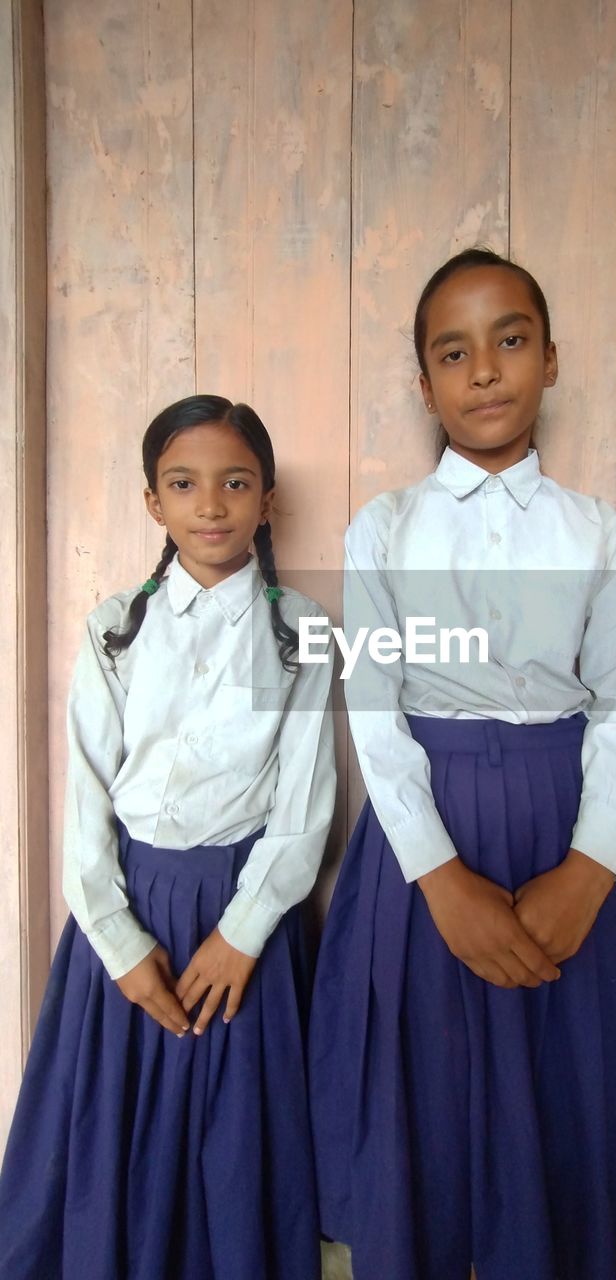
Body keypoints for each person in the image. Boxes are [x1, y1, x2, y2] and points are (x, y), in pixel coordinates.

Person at [309, 249, 616, 1280]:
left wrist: (589, 869)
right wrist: (440, 880)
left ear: (550, 361)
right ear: (426, 382)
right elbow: (376, 710)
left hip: (568, 825)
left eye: (510, 340)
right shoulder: (382, 530)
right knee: (432, 1095)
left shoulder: (598, 533)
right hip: (423, 849)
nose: (485, 369)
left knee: (572, 1085)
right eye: (455, 351)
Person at [0, 395, 335, 1280]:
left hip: (242, 920)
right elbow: (86, 802)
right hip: (132, 912)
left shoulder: (301, 634)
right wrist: (117, 943)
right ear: (153, 502)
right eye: (184, 484)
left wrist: (243, 933)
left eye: (236, 483)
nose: (212, 505)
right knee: (119, 1139)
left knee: (236, 1151)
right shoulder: (115, 629)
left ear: (267, 501)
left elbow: (305, 810)